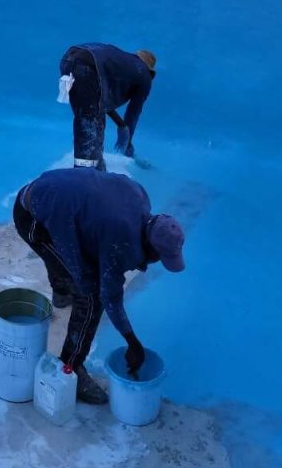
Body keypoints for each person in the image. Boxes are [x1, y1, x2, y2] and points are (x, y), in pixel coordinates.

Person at [13, 167, 185, 405]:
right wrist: (132, 341)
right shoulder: (120, 240)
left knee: (78, 260)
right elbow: (109, 296)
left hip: (54, 194)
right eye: (160, 257)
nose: (156, 262)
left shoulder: (140, 195)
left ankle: (62, 290)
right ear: (152, 248)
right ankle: (71, 366)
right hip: (33, 216)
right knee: (90, 295)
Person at [58, 43, 156, 171]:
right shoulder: (144, 75)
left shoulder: (121, 62)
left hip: (68, 60)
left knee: (91, 117)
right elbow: (133, 113)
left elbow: (101, 102)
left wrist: (121, 125)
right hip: (87, 65)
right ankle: (86, 173)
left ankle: (95, 167)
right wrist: (127, 141)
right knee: (90, 122)